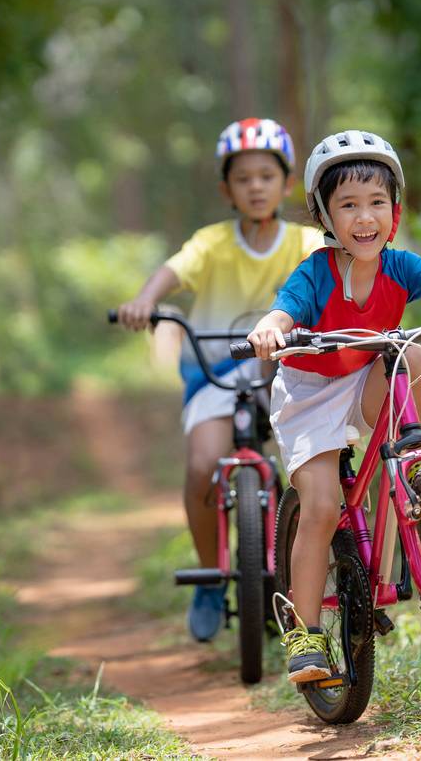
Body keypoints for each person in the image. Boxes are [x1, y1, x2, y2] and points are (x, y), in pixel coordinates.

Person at [245, 130, 421, 683]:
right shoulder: (316, 273)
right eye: (348, 205)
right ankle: (305, 633)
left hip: (368, 377)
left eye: (376, 202)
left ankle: (416, 465)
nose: (364, 216)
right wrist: (269, 329)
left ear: (393, 209)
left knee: (411, 355)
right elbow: (283, 311)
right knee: (322, 507)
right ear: (326, 215)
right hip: (309, 391)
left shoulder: (398, 266)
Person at [116, 117, 324, 642]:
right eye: (243, 178)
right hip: (215, 370)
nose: (255, 186)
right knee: (203, 464)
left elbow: (333, 275)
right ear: (225, 189)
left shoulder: (305, 242)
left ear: (285, 184)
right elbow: (172, 271)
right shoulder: (211, 242)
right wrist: (146, 299)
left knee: (313, 466)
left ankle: (313, 572)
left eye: (266, 176)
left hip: (288, 370)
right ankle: (212, 577)